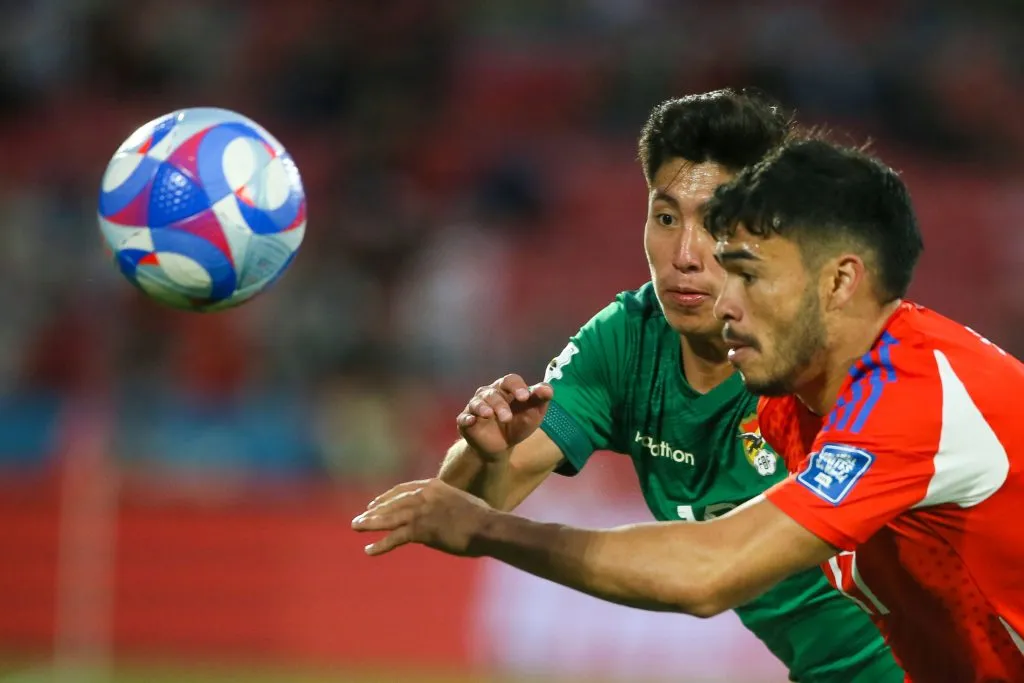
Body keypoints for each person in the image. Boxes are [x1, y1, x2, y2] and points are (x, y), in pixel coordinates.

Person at [352, 137, 1024, 683]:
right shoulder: (802, 397)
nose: (725, 301)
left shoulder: (916, 394)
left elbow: (706, 571)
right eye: (667, 218)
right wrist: (475, 483)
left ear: (840, 280)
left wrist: (487, 531)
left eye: (752, 275)